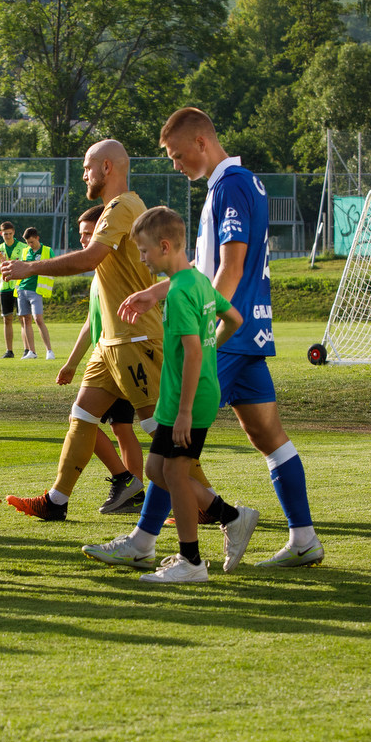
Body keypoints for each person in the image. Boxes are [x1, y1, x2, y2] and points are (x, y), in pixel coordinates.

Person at [121, 108, 324, 568]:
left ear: (200, 143)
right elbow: (204, 269)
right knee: (268, 435)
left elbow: (230, 268)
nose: (175, 164)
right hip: (249, 332)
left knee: (171, 445)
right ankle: (305, 537)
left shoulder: (230, 185)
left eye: (175, 155)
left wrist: (208, 330)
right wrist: (157, 292)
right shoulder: (236, 183)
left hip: (228, 335)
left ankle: (148, 542)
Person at [83, 207, 248, 582]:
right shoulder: (199, 282)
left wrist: (186, 410)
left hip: (187, 401)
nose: (141, 258)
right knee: (157, 470)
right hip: (178, 397)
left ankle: (191, 561)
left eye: (143, 251)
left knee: (173, 473)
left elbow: (192, 351)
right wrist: (211, 350)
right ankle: (232, 517)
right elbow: (233, 320)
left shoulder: (180, 294)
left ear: (164, 246)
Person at [0, 140, 161, 520]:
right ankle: (56, 501)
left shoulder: (121, 207)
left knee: (160, 429)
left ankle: (215, 507)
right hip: (111, 343)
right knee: (83, 416)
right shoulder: (116, 209)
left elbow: (89, 259)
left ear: (107, 167)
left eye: (88, 167)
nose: (84, 174)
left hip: (134, 337)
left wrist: (31, 267)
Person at [56, 206, 145, 513]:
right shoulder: (100, 276)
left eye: (87, 234)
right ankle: (134, 489)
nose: (83, 241)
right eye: (80, 235)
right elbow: (90, 323)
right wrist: (71, 363)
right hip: (104, 359)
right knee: (118, 426)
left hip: (122, 355)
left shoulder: (120, 270)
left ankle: (134, 487)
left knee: (113, 424)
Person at [15, 227, 54, 359]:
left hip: (36, 290)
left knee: (38, 319)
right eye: (28, 242)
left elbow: (55, 267)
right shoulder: (25, 251)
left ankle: (49, 351)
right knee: (26, 320)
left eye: (31, 242)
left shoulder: (48, 250)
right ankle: (31, 352)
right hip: (22, 288)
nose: (30, 245)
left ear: (37, 238)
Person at [0, 222, 25, 358]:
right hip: (5, 288)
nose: (8, 236)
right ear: (1, 234)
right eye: (5, 234)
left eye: (10, 234)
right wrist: (1, 265)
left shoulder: (23, 247)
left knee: (23, 319)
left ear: (14, 233)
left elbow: (26, 267)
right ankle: (9, 350)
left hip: (18, 287)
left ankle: (27, 350)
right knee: (7, 319)